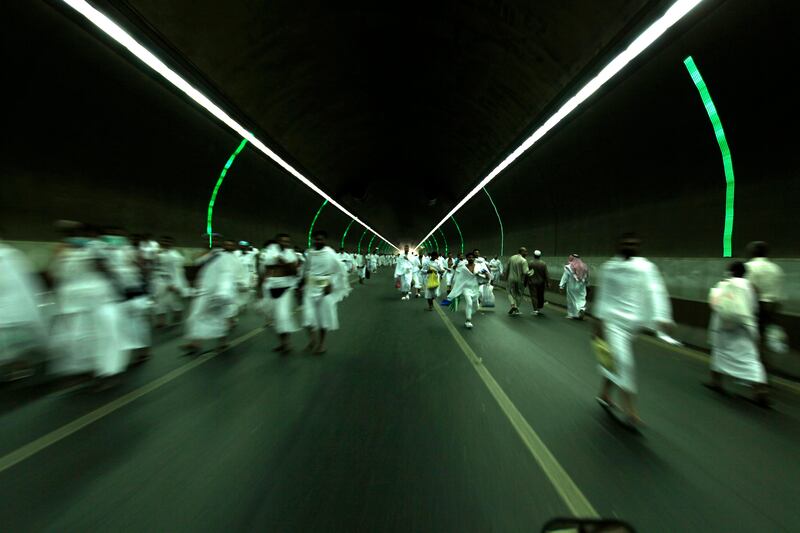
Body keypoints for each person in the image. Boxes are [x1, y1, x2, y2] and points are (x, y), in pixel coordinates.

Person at [593, 234, 673, 427]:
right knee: (625, 362)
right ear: (619, 246)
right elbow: (603, 296)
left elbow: (655, 290)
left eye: (634, 243)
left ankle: (604, 393)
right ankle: (630, 411)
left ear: (639, 247)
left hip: (633, 324)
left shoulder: (646, 268)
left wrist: (662, 317)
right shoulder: (609, 268)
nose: (630, 246)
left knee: (615, 360)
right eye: (626, 243)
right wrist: (598, 324)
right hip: (612, 322)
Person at [49, 221, 129, 390]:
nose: (74, 238)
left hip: (100, 300)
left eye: (77, 234)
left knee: (105, 336)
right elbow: (56, 275)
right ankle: (86, 370)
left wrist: (119, 292)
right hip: (75, 303)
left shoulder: (95, 247)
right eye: (70, 235)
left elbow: (105, 269)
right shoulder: (64, 250)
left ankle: (110, 372)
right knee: (80, 338)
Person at [705, 261, 770, 406]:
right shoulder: (750, 286)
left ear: (731, 272)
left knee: (719, 353)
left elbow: (715, 303)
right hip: (743, 327)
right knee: (749, 357)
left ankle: (716, 382)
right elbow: (754, 307)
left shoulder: (724, 284)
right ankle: (760, 389)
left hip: (723, 327)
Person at [182, 234, 240, 355]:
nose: (212, 242)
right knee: (195, 315)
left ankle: (222, 342)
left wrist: (224, 293)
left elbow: (228, 276)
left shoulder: (225, 257)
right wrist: (193, 285)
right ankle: (195, 342)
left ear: (220, 242)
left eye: (215, 240)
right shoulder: (204, 256)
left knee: (219, 317)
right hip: (204, 291)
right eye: (209, 240)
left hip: (219, 293)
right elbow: (197, 271)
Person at [0, 238, 47, 381]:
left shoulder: (9, 255)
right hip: (10, 309)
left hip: (14, 308)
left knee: (16, 343)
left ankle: (21, 368)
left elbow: (22, 284)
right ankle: (19, 367)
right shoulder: (10, 255)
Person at [303, 230, 349, 354]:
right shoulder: (309, 253)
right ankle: (312, 340)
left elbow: (340, 270)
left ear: (325, 240)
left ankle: (321, 344)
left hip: (325, 289)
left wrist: (331, 284)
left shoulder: (330, 253)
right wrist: (301, 284)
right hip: (310, 288)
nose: (319, 241)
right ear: (313, 240)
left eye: (321, 239)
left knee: (323, 318)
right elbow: (305, 270)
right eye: (316, 239)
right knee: (308, 318)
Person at [260, 234, 300, 354]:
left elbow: (294, 271)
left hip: (285, 288)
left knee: (283, 316)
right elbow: (265, 268)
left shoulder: (290, 254)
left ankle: (287, 344)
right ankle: (282, 343)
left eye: (287, 241)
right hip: (272, 286)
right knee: (276, 318)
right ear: (277, 242)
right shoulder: (269, 252)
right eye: (282, 241)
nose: (285, 243)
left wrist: (283, 261)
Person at [745, 241, 785, 353]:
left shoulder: (749, 267)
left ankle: (754, 357)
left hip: (757, 304)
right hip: (773, 305)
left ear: (752, 252)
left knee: (753, 333)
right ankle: (765, 356)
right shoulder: (776, 268)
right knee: (767, 332)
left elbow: (749, 288)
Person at [151, 236, 190, 327]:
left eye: (168, 241)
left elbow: (178, 272)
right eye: (163, 241)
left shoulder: (175, 256)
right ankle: (161, 322)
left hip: (172, 281)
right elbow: (154, 269)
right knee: (159, 302)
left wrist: (175, 284)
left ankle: (178, 315)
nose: (165, 243)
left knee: (174, 303)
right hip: (159, 281)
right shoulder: (158, 254)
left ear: (172, 243)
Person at [447, 252, 491, 329]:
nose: (471, 258)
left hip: (475, 288)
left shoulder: (479, 267)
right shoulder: (463, 268)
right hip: (466, 288)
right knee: (469, 303)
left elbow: (487, 276)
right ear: (466, 258)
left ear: (474, 259)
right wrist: (456, 288)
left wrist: (485, 275)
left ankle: (469, 316)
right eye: (469, 257)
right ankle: (468, 320)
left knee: (474, 305)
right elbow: (459, 280)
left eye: (472, 257)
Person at [560, 254, 589, 319]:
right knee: (581, 299)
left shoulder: (569, 267)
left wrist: (561, 285)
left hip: (571, 286)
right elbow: (586, 277)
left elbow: (565, 277)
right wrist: (587, 284)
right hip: (581, 286)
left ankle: (571, 314)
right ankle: (581, 308)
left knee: (571, 300)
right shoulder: (584, 266)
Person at [506, 248, 529, 316]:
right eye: (525, 252)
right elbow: (526, 272)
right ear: (521, 252)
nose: (526, 253)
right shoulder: (524, 260)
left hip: (511, 278)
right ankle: (516, 308)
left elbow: (507, 268)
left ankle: (513, 304)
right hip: (519, 280)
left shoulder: (511, 258)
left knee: (509, 292)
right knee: (518, 294)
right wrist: (531, 273)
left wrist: (506, 277)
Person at [526, 250, 549, 316]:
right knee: (540, 295)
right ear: (540, 256)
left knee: (534, 296)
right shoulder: (543, 263)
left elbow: (527, 273)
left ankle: (535, 310)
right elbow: (546, 274)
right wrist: (548, 282)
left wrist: (525, 281)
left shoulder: (530, 263)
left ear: (534, 255)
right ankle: (539, 307)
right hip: (541, 282)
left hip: (532, 282)